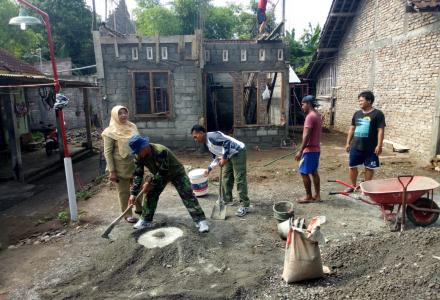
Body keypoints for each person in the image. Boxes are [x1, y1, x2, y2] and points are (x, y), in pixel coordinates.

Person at [128, 135, 209, 233]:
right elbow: (138, 174)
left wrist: (150, 183)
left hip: (176, 173)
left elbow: (163, 172)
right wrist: (133, 193)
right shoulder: (138, 156)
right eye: (135, 152)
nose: (137, 154)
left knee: (187, 195)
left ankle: (200, 220)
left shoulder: (160, 151)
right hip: (158, 174)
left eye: (138, 151)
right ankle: (145, 220)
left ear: (144, 147)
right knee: (151, 194)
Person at [191, 125, 250, 217]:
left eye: (195, 136)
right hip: (228, 155)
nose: (195, 139)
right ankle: (227, 199)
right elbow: (216, 158)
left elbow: (226, 142)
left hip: (238, 151)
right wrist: (209, 169)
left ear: (201, 133)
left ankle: (245, 205)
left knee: (239, 178)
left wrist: (224, 158)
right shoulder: (208, 143)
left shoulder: (211, 137)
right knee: (226, 177)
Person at [102, 105, 142, 223]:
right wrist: (112, 171)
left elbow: (139, 143)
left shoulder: (132, 126)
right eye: (120, 113)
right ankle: (127, 214)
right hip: (120, 167)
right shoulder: (109, 132)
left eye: (125, 112)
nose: (123, 115)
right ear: (115, 115)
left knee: (138, 187)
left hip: (134, 163)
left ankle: (140, 209)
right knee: (124, 192)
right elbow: (107, 153)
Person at [345, 91, 386, 191]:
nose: (359, 103)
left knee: (369, 168)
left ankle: (366, 188)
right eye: (359, 101)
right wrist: (347, 143)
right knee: (352, 166)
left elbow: (380, 130)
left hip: (371, 147)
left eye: (361, 101)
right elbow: (352, 128)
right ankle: (353, 186)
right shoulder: (357, 114)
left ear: (369, 101)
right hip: (356, 146)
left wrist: (379, 145)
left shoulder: (378, 114)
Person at [294, 96, 322, 203]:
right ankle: (317, 195)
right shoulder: (317, 115)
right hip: (316, 149)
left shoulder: (310, 116)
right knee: (314, 172)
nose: (302, 107)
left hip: (309, 150)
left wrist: (301, 150)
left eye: (303, 104)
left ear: (308, 104)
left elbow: (306, 135)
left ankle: (309, 196)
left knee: (303, 172)